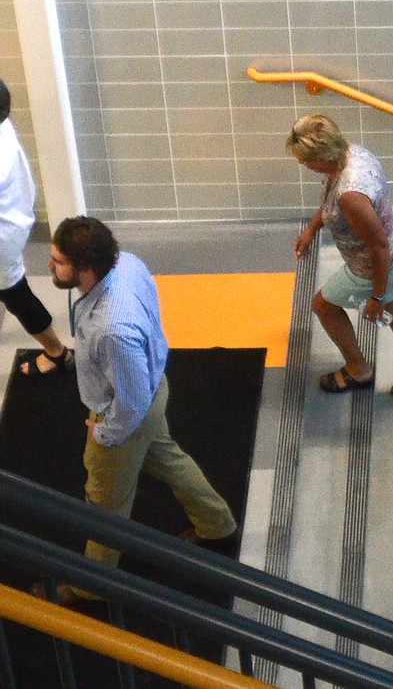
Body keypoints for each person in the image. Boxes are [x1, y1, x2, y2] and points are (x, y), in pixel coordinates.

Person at [45, 217, 236, 604]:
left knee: (104, 504)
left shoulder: (112, 329)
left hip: (126, 412)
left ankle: (90, 586)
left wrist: (104, 433)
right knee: (167, 458)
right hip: (153, 385)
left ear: (86, 268)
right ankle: (217, 525)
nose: (49, 266)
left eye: (58, 261)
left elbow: (129, 404)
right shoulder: (126, 262)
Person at [286, 113, 393, 397]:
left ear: (324, 158)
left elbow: (377, 246)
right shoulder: (354, 153)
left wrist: (377, 296)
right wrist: (312, 229)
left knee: (323, 306)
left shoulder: (351, 196)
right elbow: (333, 204)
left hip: (375, 265)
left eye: (306, 159)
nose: (302, 164)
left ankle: (358, 370)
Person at [0, 78, 73, 377]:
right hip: (14, 217)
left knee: (15, 293)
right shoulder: (3, 123)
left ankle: (57, 352)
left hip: (3, 236)